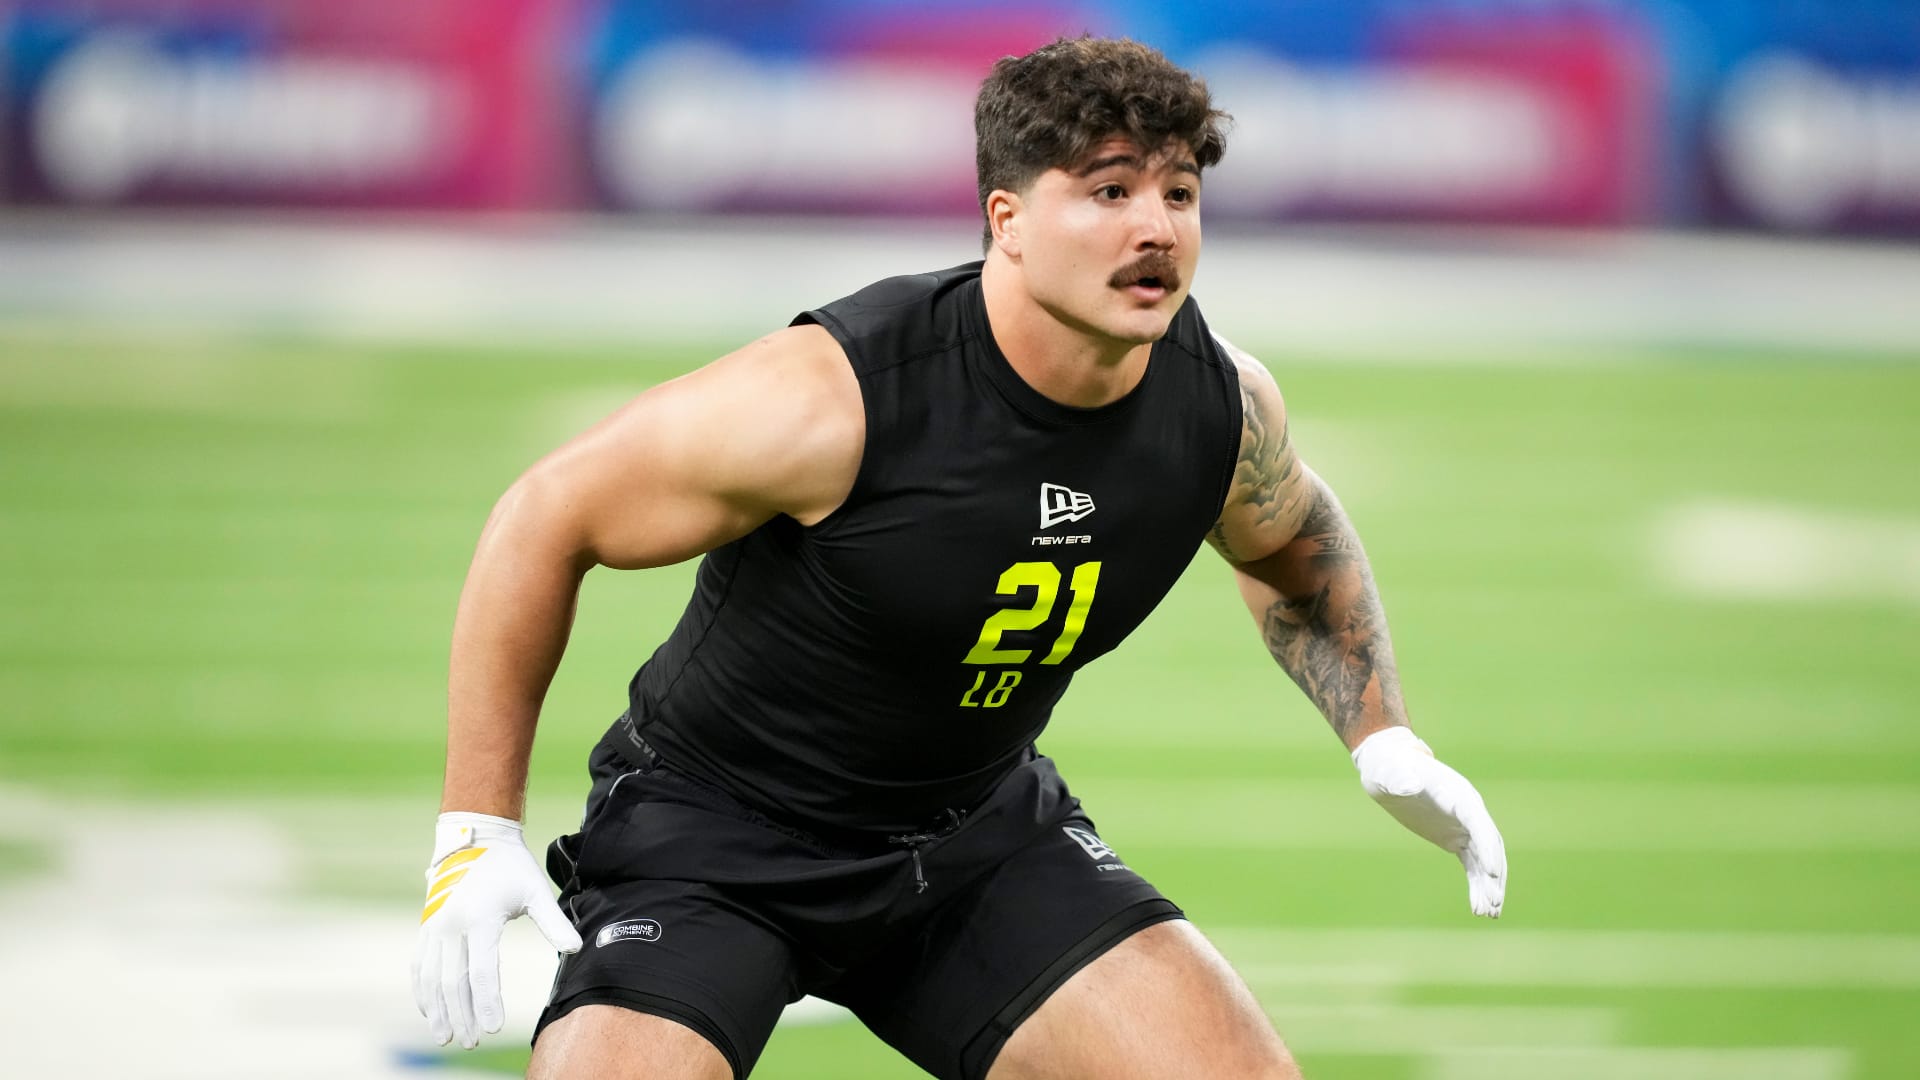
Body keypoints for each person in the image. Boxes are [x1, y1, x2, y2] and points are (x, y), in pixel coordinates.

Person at [412, 35, 1505, 1080]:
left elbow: (1297, 546)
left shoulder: (1218, 405)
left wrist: (1382, 735)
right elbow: (544, 516)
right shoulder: (837, 397)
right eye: (1110, 190)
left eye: (1178, 192)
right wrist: (475, 825)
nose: (1158, 228)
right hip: (721, 837)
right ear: (1009, 220)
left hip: (970, 832)